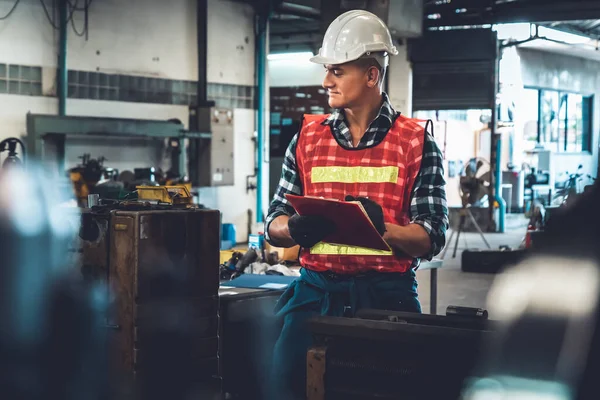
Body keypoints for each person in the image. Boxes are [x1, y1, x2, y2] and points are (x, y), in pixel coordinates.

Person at [265, 10, 449, 399]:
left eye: (337, 70)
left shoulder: (415, 142)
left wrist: (381, 229)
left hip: (385, 297)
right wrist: (292, 229)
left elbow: (432, 235)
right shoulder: (306, 138)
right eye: (327, 69)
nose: (325, 80)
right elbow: (273, 222)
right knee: (283, 385)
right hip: (313, 295)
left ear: (371, 75)